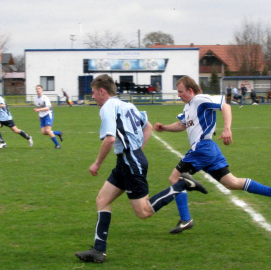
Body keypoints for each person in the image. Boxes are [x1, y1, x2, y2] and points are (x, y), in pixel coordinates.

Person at [75, 74, 207, 263]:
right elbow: (149, 127)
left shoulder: (107, 108)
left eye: (94, 93)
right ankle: (98, 250)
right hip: (128, 160)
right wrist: (137, 151)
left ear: (102, 91)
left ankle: (182, 185)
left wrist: (97, 163)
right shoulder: (128, 105)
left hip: (130, 161)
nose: (93, 97)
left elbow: (110, 138)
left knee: (143, 212)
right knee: (102, 200)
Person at [154, 76, 271, 234]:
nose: (179, 95)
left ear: (190, 90)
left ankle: (186, 219)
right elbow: (181, 125)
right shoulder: (188, 107)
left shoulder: (199, 99)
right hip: (209, 149)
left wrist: (227, 128)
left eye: (181, 92)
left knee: (175, 178)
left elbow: (226, 106)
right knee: (231, 183)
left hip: (202, 148)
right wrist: (165, 128)